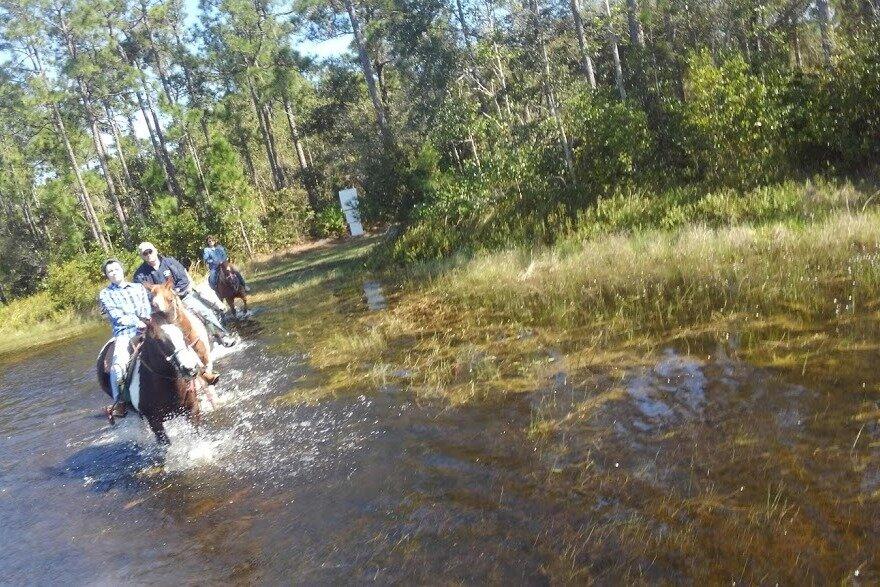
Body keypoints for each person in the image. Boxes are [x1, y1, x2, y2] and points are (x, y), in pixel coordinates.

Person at [132, 241, 237, 347]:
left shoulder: (170, 262)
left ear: (155, 250)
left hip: (181, 297)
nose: (149, 255)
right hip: (159, 308)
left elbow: (183, 279)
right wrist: (158, 298)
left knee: (205, 312)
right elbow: (142, 293)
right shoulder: (139, 275)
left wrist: (176, 291)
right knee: (152, 332)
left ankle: (222, 335)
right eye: (145, 253)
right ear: (142, 256)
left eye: (150, 251)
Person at [98, 258, 152, 418]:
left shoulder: (138, 287)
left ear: (122, 270)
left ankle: (198, 375)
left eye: (116, 269)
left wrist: (146, 321)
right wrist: (137, 322)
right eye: (110, 272)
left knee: (175, 345)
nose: (114, 273)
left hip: (146, 328)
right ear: (107, 276)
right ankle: (120, 402)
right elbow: (116, 316)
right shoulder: (106, 294)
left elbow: (146, 308)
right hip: (124, 333)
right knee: (118, 367)